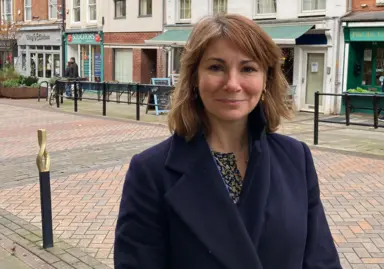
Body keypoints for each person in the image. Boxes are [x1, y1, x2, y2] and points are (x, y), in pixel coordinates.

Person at [114, 14, 341, 269]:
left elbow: (322, 260)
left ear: (265, 79)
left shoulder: (296, 158)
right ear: (193, 78)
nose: (232, 84)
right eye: (216, 67)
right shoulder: (151, 172)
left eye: (248, 68)